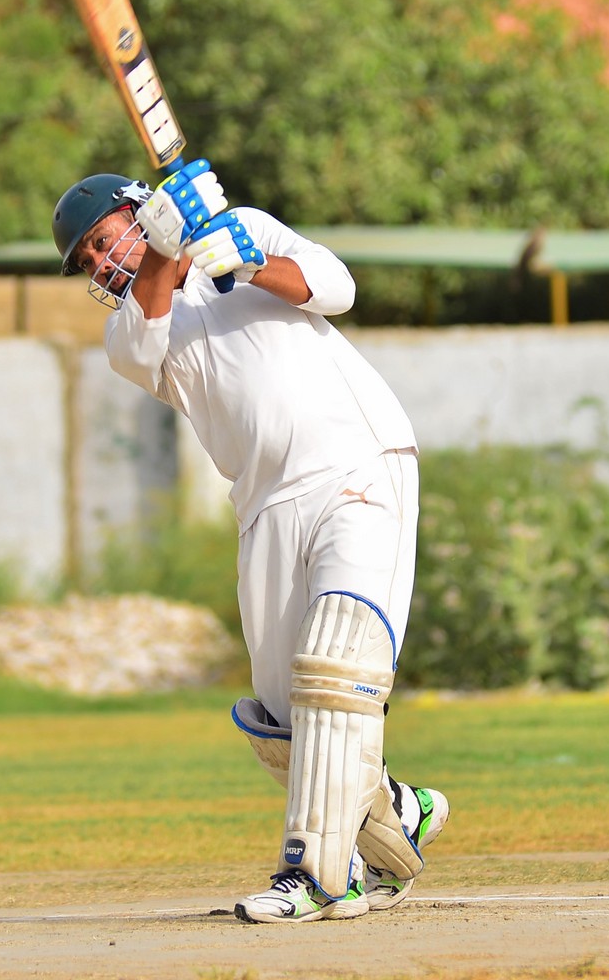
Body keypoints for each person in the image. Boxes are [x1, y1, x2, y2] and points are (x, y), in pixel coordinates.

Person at [51, 163, 450, 924]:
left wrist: (248, 260)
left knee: (336, 662)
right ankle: (398, 809)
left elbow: (336, 289)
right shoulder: (128, 330)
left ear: (136, 209)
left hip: (358, 464)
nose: (98, 264)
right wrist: (164, 244)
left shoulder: (246, 230)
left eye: (101, 241)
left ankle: (318, 877)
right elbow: (148, 323)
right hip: (264, 503)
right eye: (87, 260)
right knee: (283, 724)